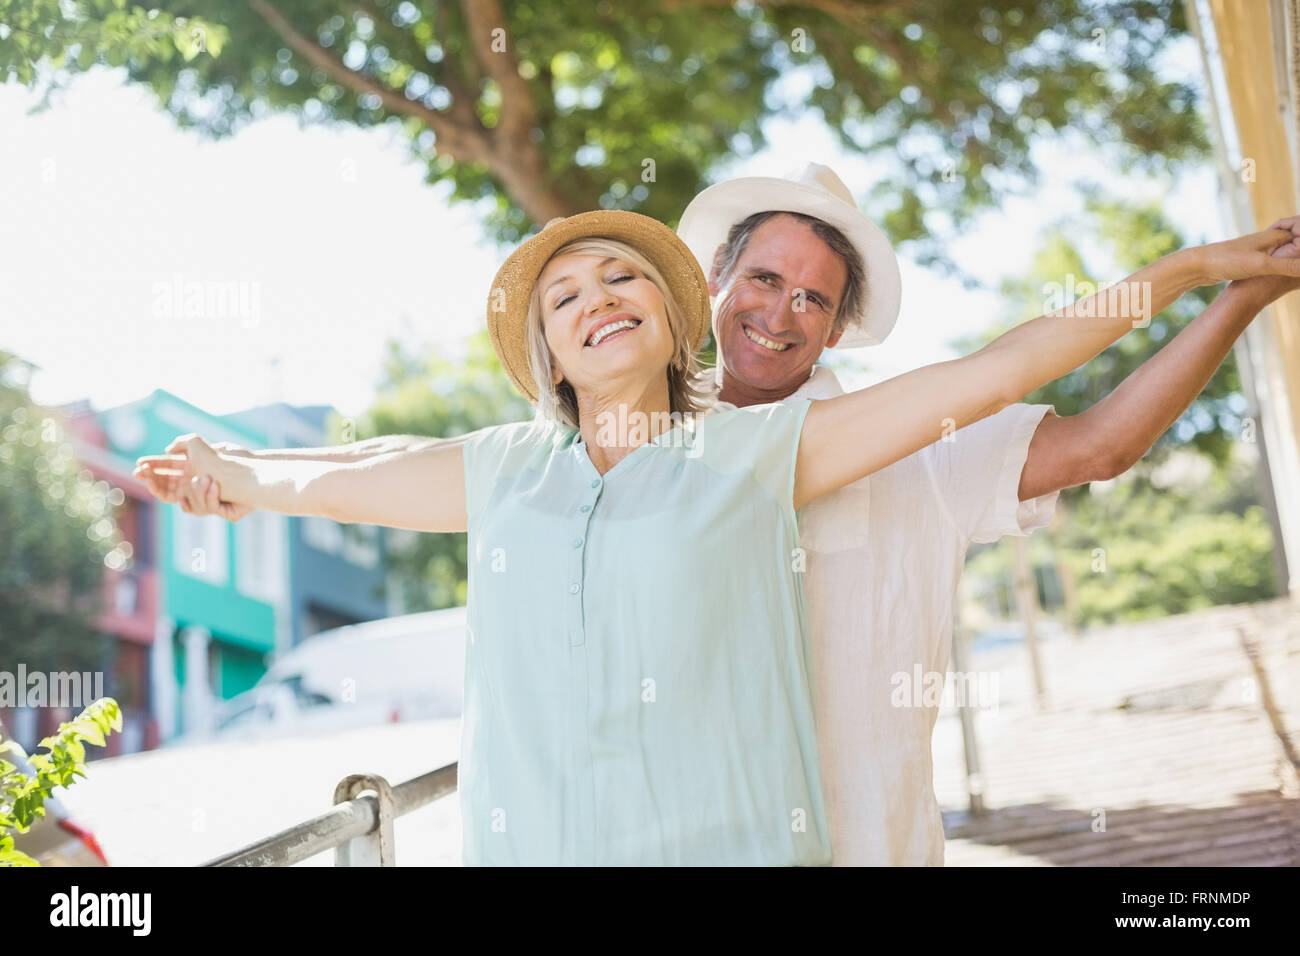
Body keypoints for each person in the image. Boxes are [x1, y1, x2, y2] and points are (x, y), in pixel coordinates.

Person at [136, 205, 1300, 866]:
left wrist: (1201, 271)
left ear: (673, 312)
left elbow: (1001, 370)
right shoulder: (505, 468)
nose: (596, 293)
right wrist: (238, 476)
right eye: (564, 293)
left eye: (621, 273)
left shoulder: (774, 450)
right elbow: (361, 472)